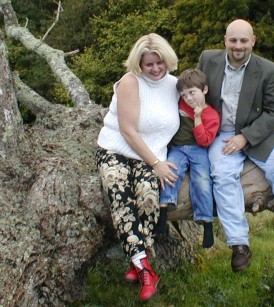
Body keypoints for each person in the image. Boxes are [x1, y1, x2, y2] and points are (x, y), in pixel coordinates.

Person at [197, 19, 274, 272]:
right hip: (221, 133)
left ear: (253, 41)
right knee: (222, 175)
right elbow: (192, 91)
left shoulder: (268, 70)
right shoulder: (208, 60)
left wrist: (246, 137)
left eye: (243, 40)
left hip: (259, 134)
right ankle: (239, 244)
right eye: (233, 40)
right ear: (225, 40)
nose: (238, 46)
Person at [95, 33, 181, 301]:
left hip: (151, 155)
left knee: (148, 198)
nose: (155, 69)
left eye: (159, 63)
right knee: (120, 196)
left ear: (168, 60)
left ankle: (135, 258)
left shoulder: (175, 86)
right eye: (149, 65)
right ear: (139, 65)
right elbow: (128, 131)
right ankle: (145, 269)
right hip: (117, 151)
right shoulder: (130, 83)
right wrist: (156, 164)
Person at [158, 68, 220, 248]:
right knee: (171, 171)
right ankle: (164, 211)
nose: (189, 99)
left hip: (199, 150)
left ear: (205, 90)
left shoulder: (212, 115)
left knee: (201, 180)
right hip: (178, 148)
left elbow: (205, 141)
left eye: (192, 93)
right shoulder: (180, 105)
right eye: (184, 95)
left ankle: (206, 222)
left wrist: (198, 118)